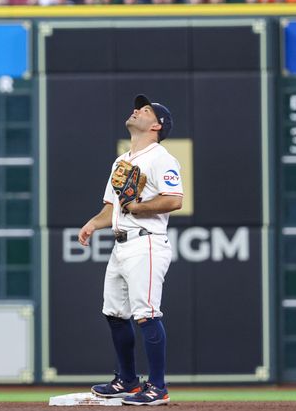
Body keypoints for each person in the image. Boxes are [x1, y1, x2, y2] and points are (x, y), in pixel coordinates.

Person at [79, 94, 183, 406]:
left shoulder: (161, 157)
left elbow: (174, 199)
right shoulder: (122, 161)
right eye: (138, 107)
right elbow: (112, 208)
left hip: (147, 240)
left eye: (146, 109)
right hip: (121, 242)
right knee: (113, 312)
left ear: (156, 125)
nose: (137, 110)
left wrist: (138, 208)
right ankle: (127, 380)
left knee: (146, 314)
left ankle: (158, 387)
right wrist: (92, 224)